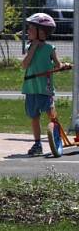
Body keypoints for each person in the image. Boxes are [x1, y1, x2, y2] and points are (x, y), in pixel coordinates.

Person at [21, 12, 69, 156]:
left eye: (30, 29)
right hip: (31, 88)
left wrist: (63, 65)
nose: (27, 31)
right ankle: (37, 144)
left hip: (45, 88)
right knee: (34, 116)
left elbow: (58, 64)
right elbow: (24, 65)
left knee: (51, 114)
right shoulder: (30, 48)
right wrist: (33, 48)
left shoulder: (49, 48)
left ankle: (57, 138)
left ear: (41, 32)